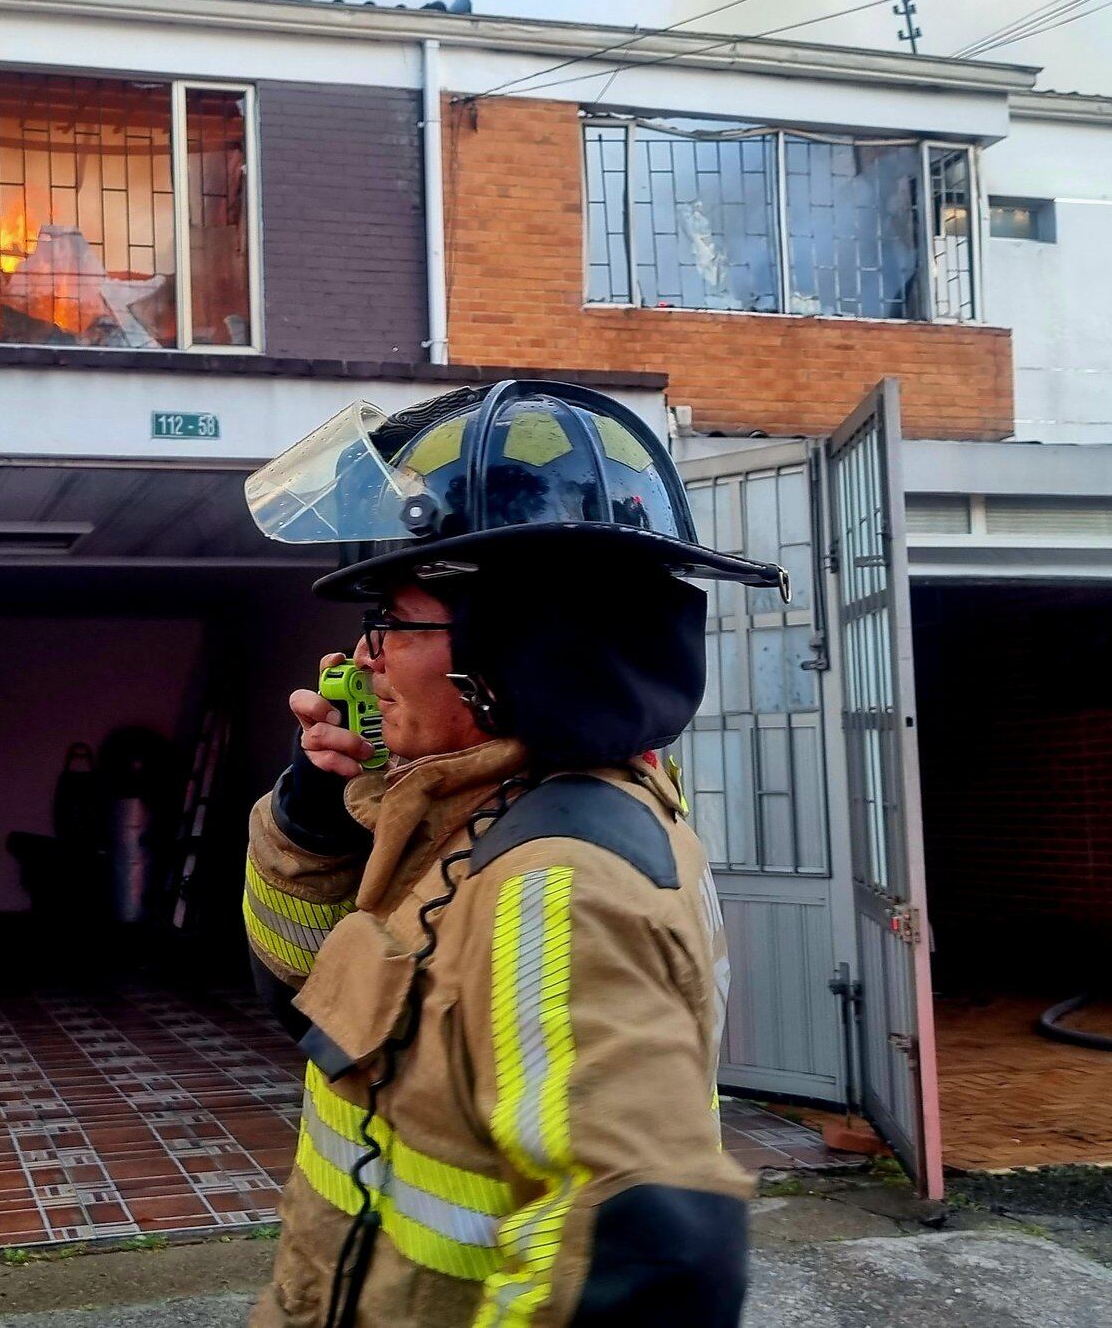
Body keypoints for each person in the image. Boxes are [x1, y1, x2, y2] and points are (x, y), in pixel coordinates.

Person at [238, 380, 786, 1327]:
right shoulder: (485, 809)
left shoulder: (558, 878)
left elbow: (651, 1260)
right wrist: (323, 806)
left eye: (390, 622)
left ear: (510, 643)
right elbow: (299, 982)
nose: (361, 656)